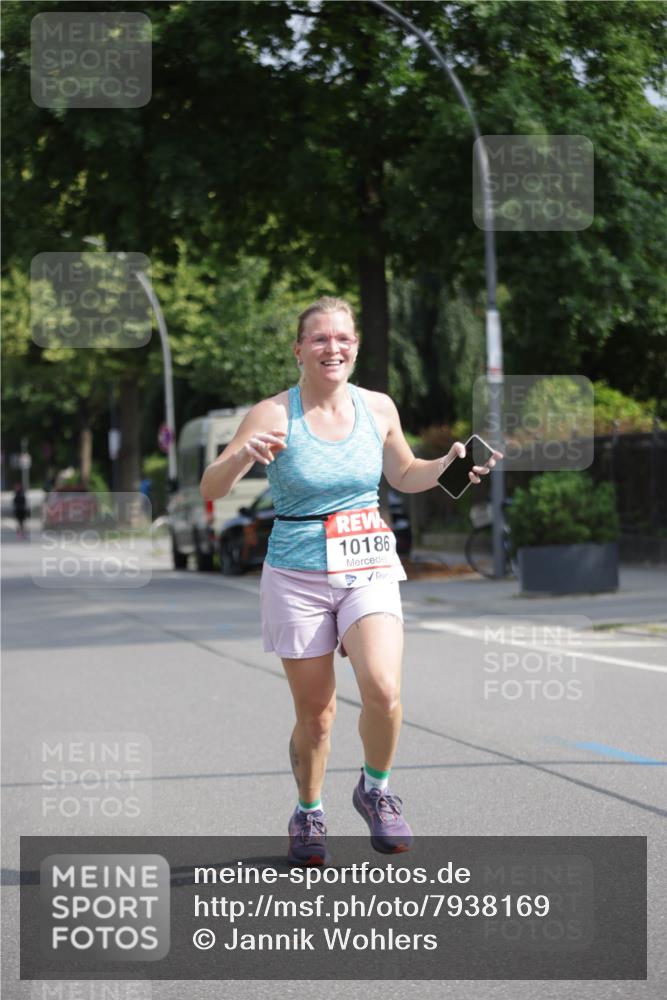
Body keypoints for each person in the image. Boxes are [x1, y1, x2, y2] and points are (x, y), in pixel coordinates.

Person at [200, 296, 501, 865]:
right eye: (319, 338)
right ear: (298, 350)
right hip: (297, 572)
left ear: (356, 347)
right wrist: (243, 455)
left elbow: (404, 472)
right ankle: (308, 810)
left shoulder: (378, 408)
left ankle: (376, 789)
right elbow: (211, 489)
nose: (332, 347)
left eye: (343, 338)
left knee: (383, 688)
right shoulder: (272, 414)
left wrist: (448, 466)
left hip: (367, 562)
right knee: (316, 716)